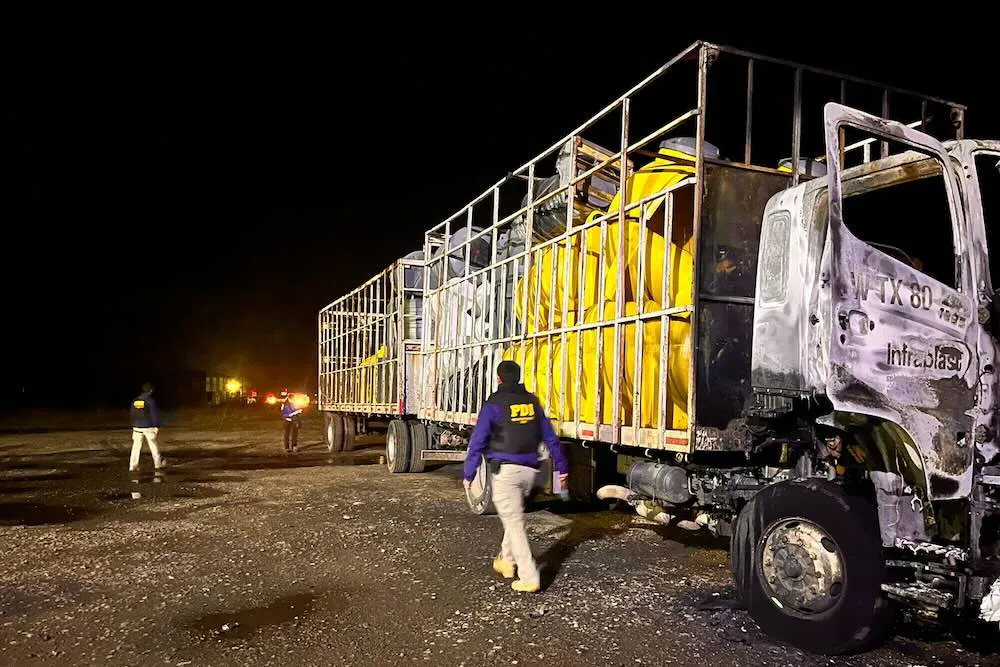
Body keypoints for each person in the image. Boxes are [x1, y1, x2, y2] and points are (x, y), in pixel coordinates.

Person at [463, 360, 569, 593]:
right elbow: (551, 438)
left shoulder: (494, 404)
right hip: (531, 472)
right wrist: (562, 468)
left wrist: (469, 474)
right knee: (513, 514)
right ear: (519, 377)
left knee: (514, 522)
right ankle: (506, 562)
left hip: (506, 472)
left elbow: (478, 441)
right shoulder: (532, 402)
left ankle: (529, 575)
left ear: (499, 379)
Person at [129, 382, 166, 472]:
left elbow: (132, 413)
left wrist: (134, 424)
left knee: (136, 447)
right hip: (148, 427)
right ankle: (158, 464)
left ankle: (133, 466)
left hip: (137, 427)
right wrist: (156, 426)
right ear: (150, 391)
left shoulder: (136, 400)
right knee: (153, 445)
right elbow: (153, 415)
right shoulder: (150, 401)